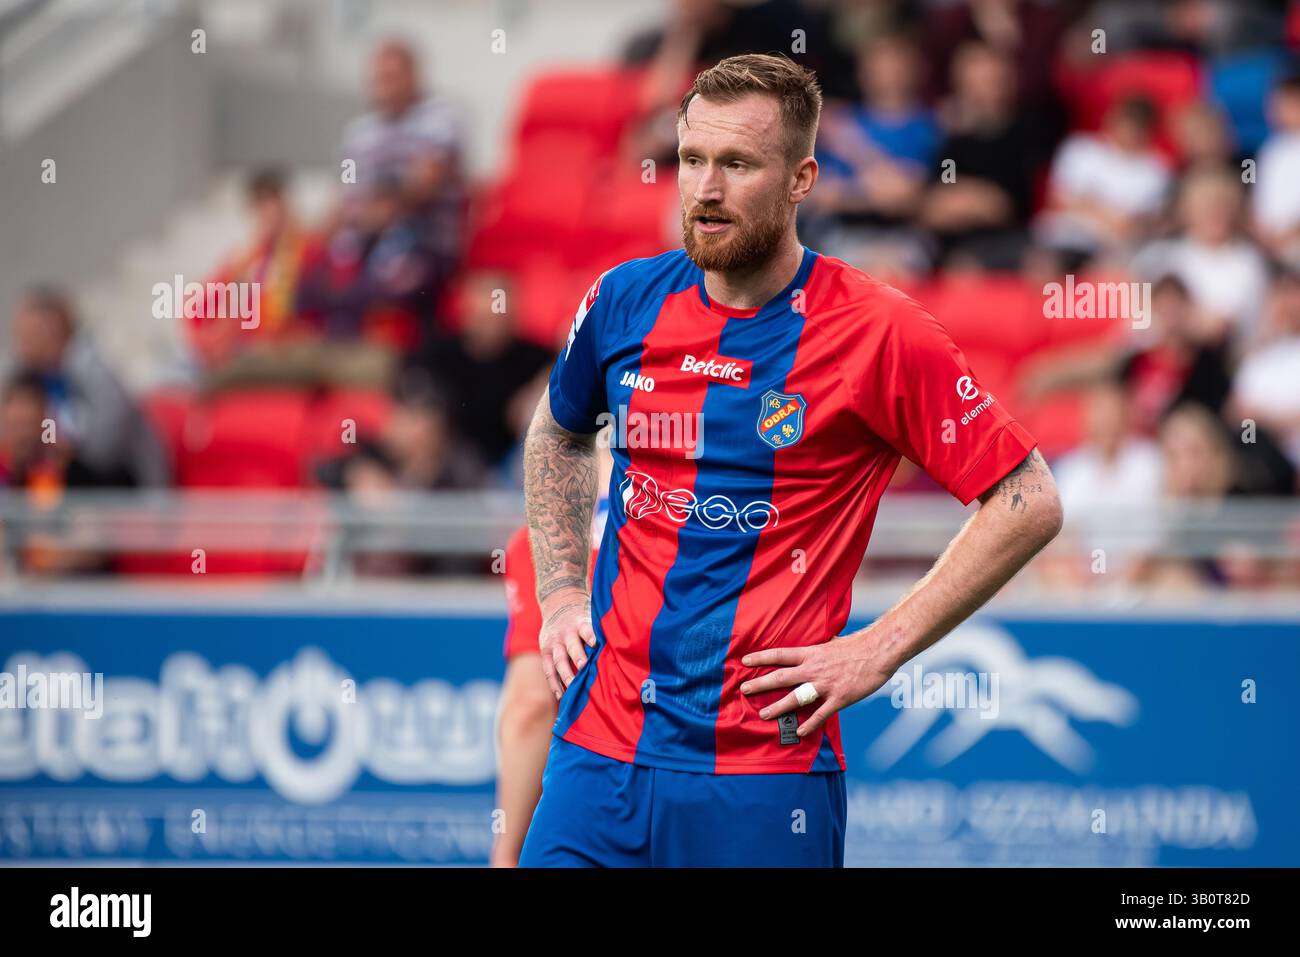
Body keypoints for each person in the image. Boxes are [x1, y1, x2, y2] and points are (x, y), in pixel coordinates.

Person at [517, 53, 1062, 868]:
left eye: (737, 164)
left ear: (802, 178)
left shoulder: (878, 332)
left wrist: (880, 645)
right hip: (598, 755)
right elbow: (558, 433)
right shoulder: (623, 299)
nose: (705, 187)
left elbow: (1028, 500)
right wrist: (560, 592)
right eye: (693, 159)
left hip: (764, 775)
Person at [490, 435, 613, 868]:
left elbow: (530, 705)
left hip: (597, 801)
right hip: (720, 784)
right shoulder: (710, 534)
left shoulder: (544, 545)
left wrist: (506, 851)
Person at [9, 286, 170, 487]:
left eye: (28, 335)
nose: (20, 346)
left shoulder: (91, 369)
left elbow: (107, 444)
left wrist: (66, 446)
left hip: (124, 488)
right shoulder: (32, 376)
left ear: (53, 330)